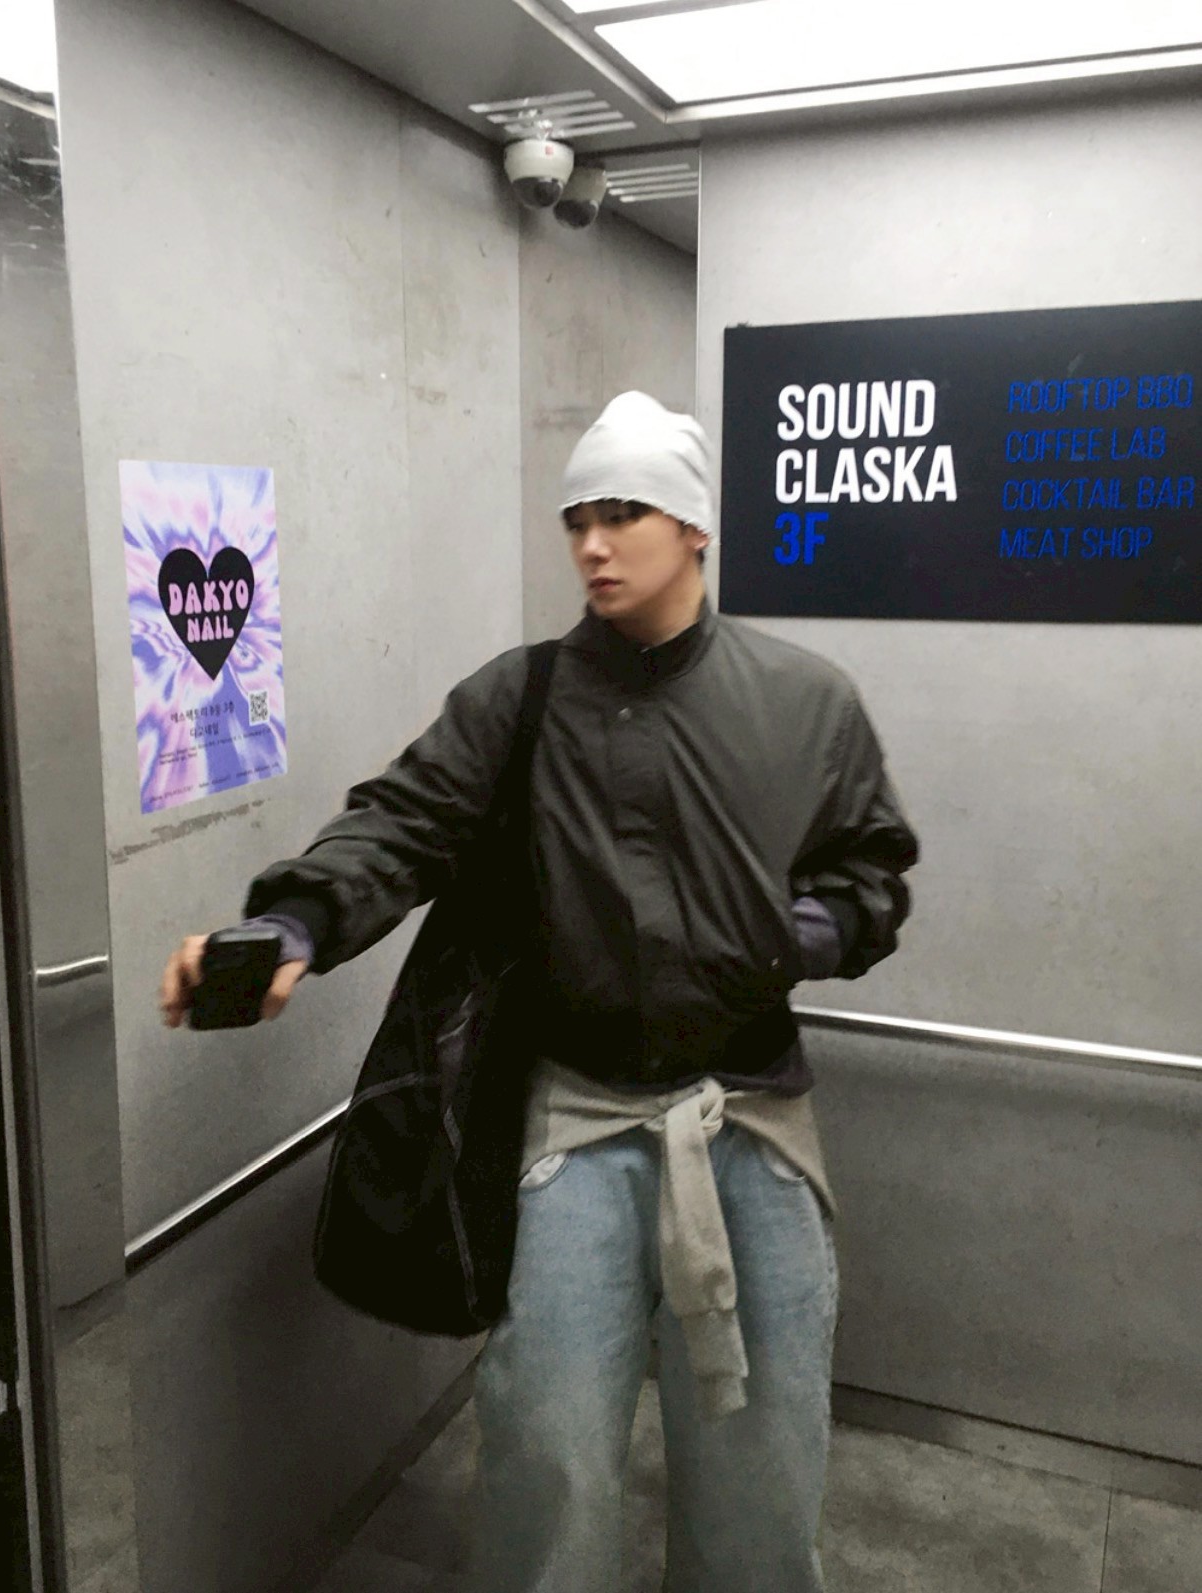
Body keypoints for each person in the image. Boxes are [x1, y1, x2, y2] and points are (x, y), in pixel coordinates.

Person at [161, 391, 918, 1593]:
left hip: (752, 1115)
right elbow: (400, 824)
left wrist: (784, 936)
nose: (593, 546)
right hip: (574, 1117)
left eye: (624, 515)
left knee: (764, 1456)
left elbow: (872, 873)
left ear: (695, 526)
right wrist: (293, 922)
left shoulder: (804, 700)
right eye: (577, 520)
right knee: (544, 1449)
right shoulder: (519, 700)